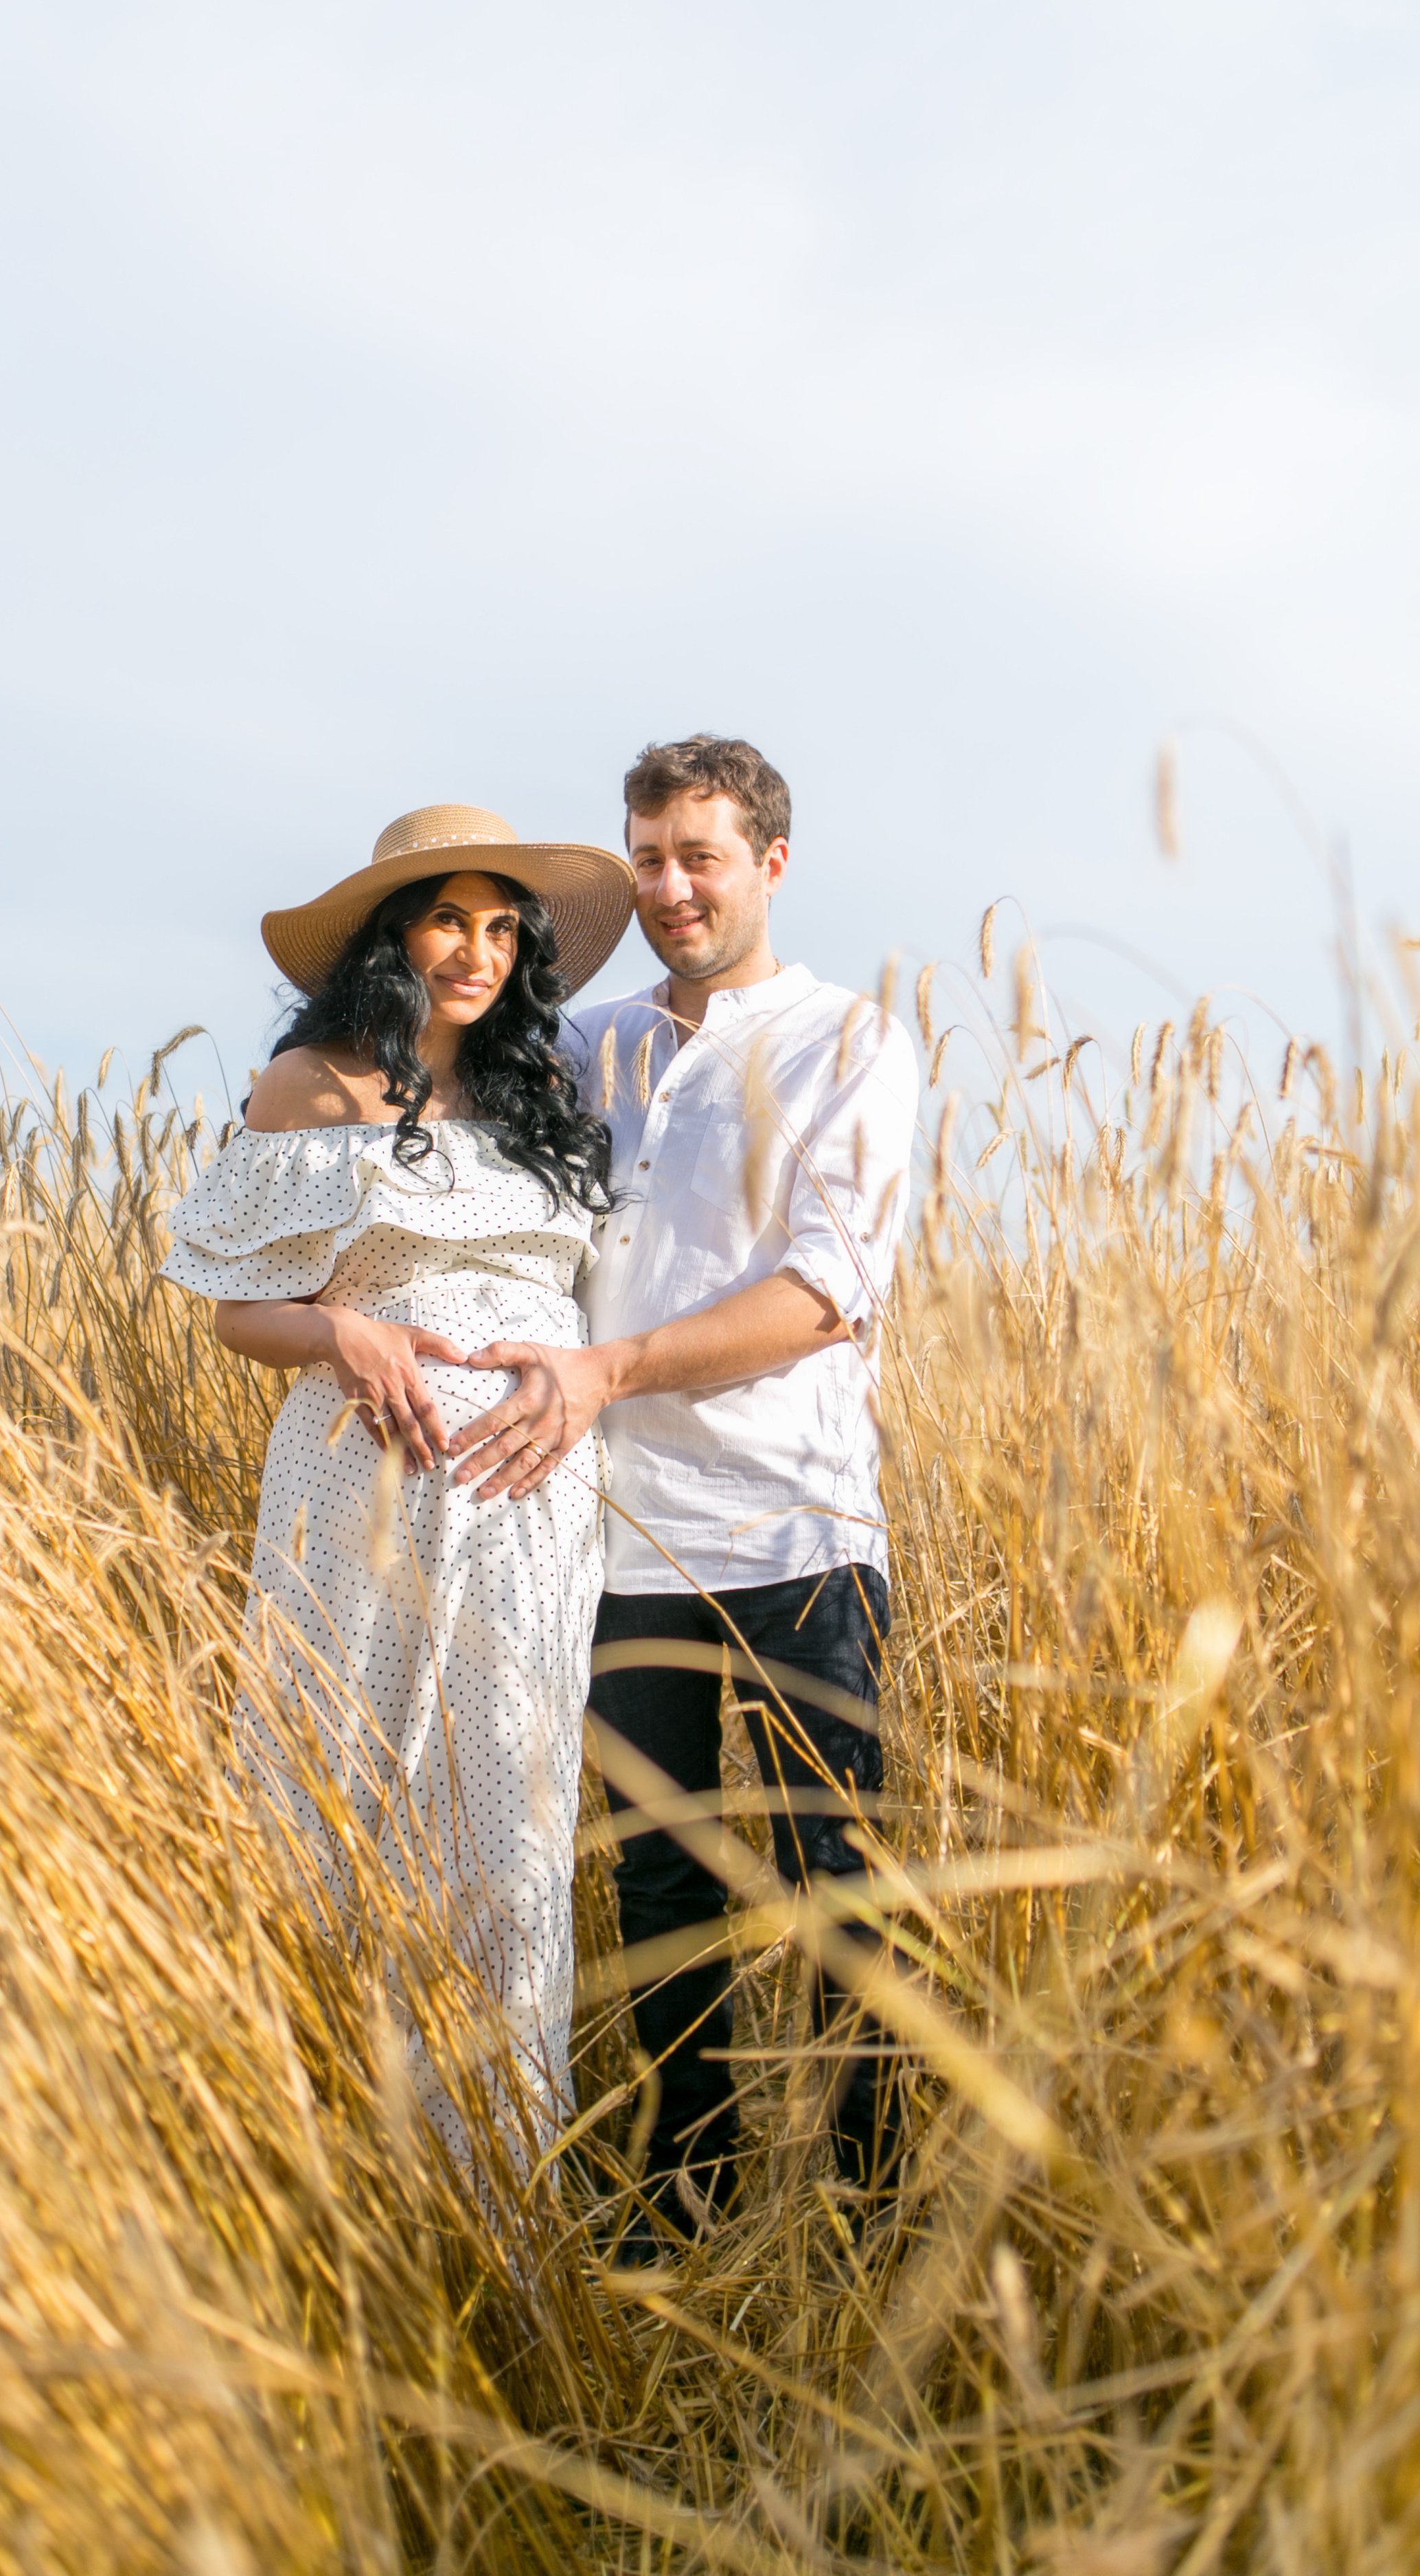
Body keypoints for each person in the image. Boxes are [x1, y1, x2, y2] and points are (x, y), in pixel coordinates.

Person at [440, 736, 918, 2242]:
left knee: (836, 1873)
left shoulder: (848, 1042)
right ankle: (686, 2195)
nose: (669, 888)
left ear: (769, 863)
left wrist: (611, 1369)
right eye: (646, 858)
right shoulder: (589, 1047)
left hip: (795, 1527)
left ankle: (864, 2202)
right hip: (616, 1537)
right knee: (657, 1890)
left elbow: (826, 1296)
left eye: (699, 857)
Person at [157, 803, 634, 2163]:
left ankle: (495, 2189)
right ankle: (325, 2167)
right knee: (342, 1797)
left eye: (501, 928)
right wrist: (342, 1329)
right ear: (393, 933)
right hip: (358, 1485)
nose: (475, 951)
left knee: (509, 1822)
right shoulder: (314, 1084)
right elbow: (242, 1311)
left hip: (526, 1505)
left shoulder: (541, 1097)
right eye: (447, 919)